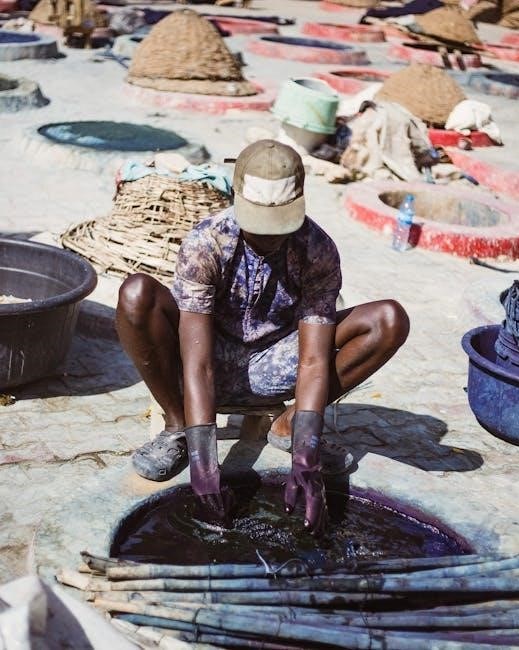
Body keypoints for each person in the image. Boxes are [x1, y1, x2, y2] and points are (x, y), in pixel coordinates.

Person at [116, 140, 410, 536]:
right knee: (136, 294)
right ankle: (178, 425)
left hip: (278, 357)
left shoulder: (317, 249)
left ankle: (290, 424)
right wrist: (205, 472)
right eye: (258, 224)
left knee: (388, 319)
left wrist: (306, 456)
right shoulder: (207, 243)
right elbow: (198, 364)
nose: (268, 237)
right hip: (209, 355)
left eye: (278, 225)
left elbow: (312, 360)